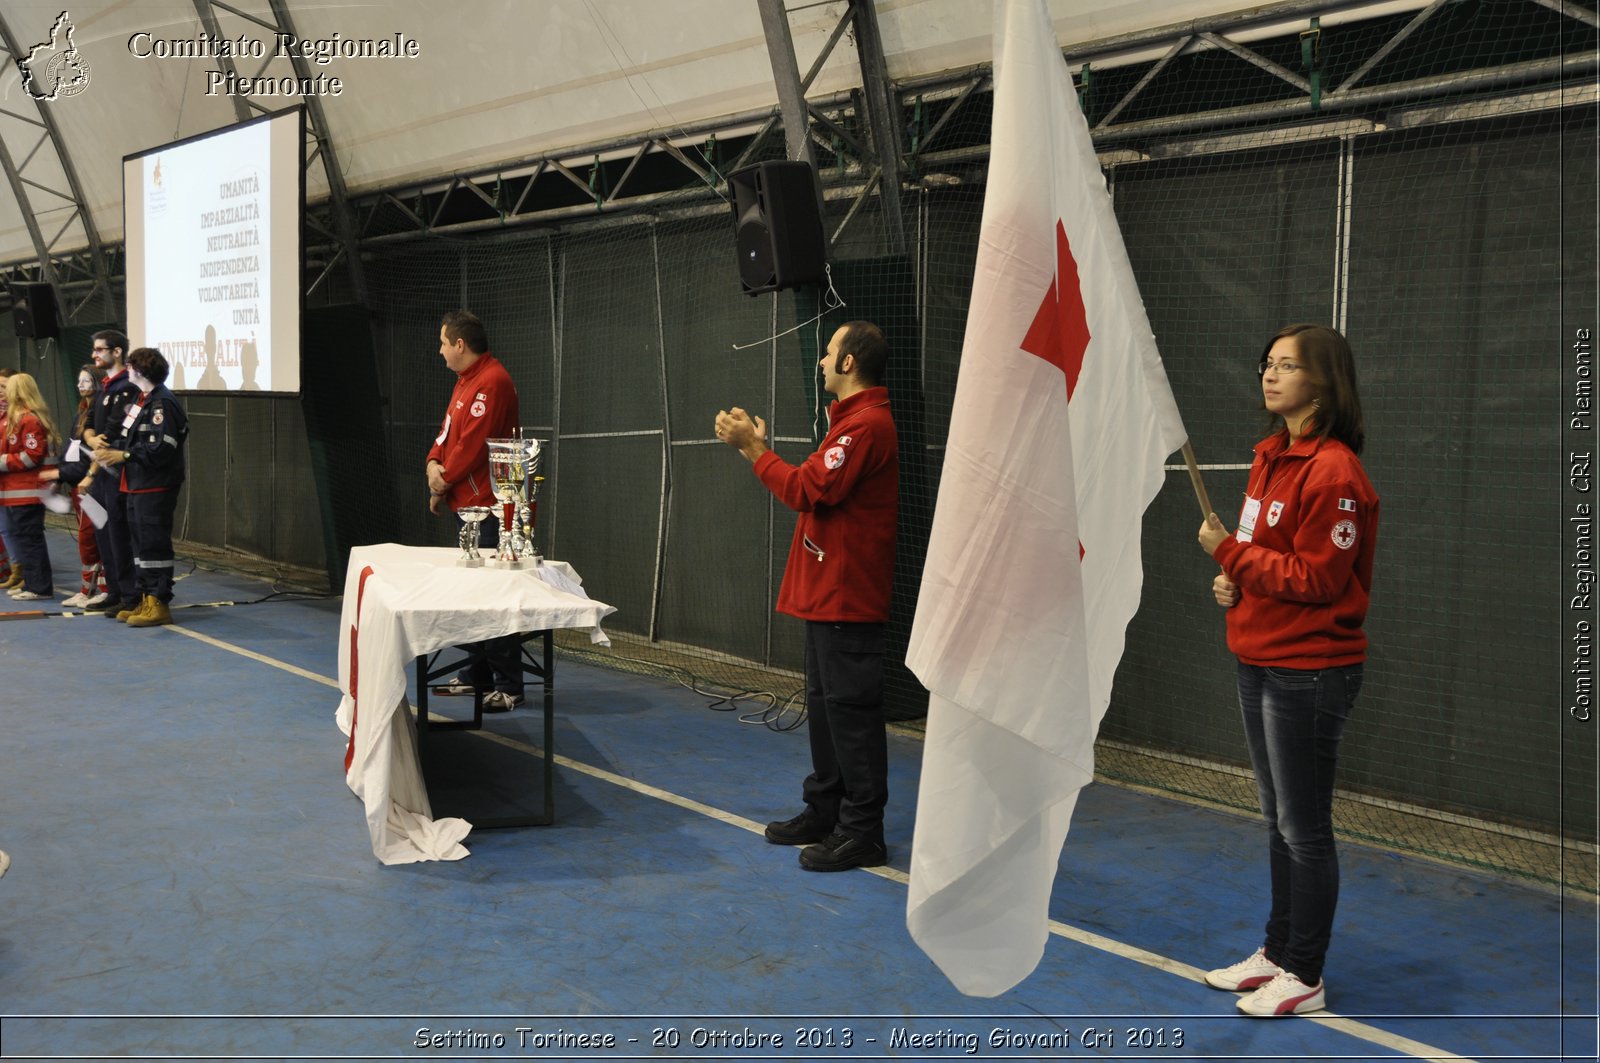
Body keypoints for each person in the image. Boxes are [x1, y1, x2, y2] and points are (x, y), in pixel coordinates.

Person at [1197, 323, 1379, 1018]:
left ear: (1324, 383)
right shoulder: (1269, 455)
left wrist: (1233, 559)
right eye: (1267, 362)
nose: (1270, 375)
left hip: (1310, 670)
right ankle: (1276, 951)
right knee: (1277, 818)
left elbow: (1319, 578)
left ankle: (1306, 971)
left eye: (1287, 366)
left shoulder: (1335, 473)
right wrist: (1231, 580)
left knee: (1304, 827)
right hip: (1258, 655)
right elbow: (1257, 555)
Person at [714, 321, 899, 872]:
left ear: (848, 364)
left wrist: (752, 448)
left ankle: (863, 831)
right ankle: (827, 811)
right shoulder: (850, 426)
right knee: (826, 711)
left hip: (849, 599)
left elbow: (806, 489)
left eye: (827, 353)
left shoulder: (864, 428)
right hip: (828, 599)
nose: (820, 361)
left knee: (851, 716)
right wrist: (758, 449)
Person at [425, 309, 525, 712]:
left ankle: (509, 684)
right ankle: (477, 676)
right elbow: (448, 435)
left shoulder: (493, 381)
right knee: (474, 600)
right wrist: (433, 465)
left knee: (494, 599)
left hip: (489, 510)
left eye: (444, 343)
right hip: (465, 504)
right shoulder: (465, 382)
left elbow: (472, 445)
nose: (441, 350)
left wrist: (443, 478)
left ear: (460, 345)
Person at [92, 347, 189, 627]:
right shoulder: (141, 400)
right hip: (134, 484)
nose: (128, 369)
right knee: (140, 546)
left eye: (131, 365)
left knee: (153, 545)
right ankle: (146, 600)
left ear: (141, 370)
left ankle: (158, 603)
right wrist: (109, 448)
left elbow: (161, 449)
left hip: (154, 486)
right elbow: (128, 437)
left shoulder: (162, 404)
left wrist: (123, 455)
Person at [79, 330, 140, 615]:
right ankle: (113, 590)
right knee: (102, 532)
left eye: (100, 349)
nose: (95, 355)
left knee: (118, 534)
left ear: (117, 352)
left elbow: (113, 431)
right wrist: (90, 438)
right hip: (100, 473)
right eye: (94, 349)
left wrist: (97, 441)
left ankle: (129, 595)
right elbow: (90, 423)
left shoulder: (127, 385)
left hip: (114, 472)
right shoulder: (104, 385)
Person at [40, 363, 109, 607]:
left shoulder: (101, 413)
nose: (80, 385)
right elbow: (73, 450)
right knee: (87, 540)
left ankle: (104, 588)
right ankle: (87, 589)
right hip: (78, 487)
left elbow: (92, 455)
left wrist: (62, 473)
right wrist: (59, 474)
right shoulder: (80, 413)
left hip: (94, 488)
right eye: (79, 381)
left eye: (86, 381)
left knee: (95, 538)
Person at [0, 372, 62, 601]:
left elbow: (32, 455)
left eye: (8, 388)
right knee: (23, 539)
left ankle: (39, 587)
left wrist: (3, 461)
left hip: (26, 491)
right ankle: (32, 583)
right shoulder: (18, 418)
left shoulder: (29, 420)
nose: (3, 392)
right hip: (16, 491)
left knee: (30, 539)